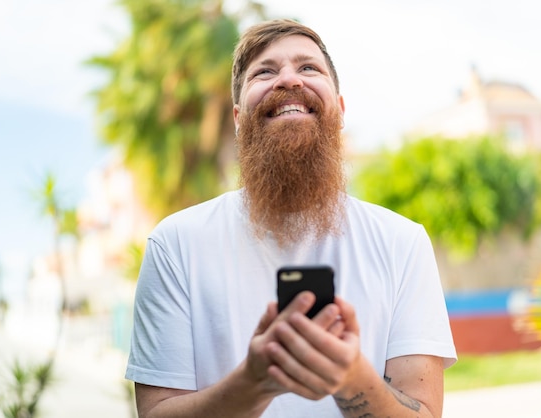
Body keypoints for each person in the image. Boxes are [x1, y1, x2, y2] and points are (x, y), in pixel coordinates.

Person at [125, 19, 457, 418]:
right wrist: (253, 381)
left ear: (340, 108)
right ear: (237, 116)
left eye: (308, 68)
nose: (288, 80)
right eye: (264, 71)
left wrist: (351, 377)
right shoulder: (175, 244)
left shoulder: (402, 242)